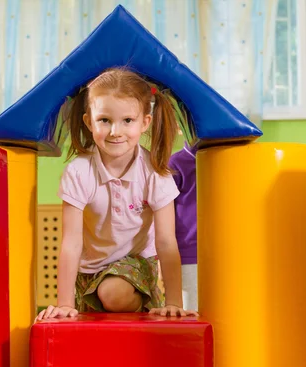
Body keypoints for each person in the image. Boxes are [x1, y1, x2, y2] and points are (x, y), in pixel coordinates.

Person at [36, 68, 197, 320]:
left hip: (136, 263)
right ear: (89, 122)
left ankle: (146, 299)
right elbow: (71, 242)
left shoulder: (155, 172)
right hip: (89, 270)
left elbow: (166, 241)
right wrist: (65, 303)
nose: (115, 131)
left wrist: (173, 301)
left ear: (145, 122)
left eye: (127, 121)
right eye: (105, 120)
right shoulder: (79, 172)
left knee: (112, 293)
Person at [168, 141, 198, 311]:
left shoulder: (227, 159)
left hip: (223, 254)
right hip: (188, 253)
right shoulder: (176, 164)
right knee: (191, 309)